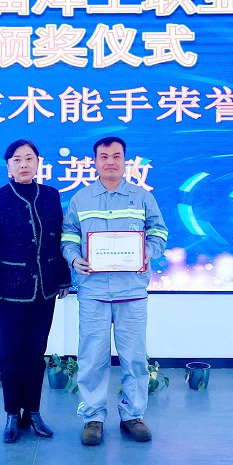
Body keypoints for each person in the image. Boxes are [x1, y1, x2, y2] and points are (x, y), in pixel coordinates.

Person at [61, 136, 168, 446]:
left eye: (116, 156)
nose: (110, 161)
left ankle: (133, 416)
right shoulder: (81, 199)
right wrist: (74, 258)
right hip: (93, 292)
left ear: (125, 161)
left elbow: (159, 232)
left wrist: (147, 252)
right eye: (104, 156)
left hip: (132, 291)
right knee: (92, 358)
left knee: (134, 359)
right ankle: (93, 417)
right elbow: (68, 236)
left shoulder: (143, 198)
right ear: (95, 162)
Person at [0, 139, 72, 444]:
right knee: (10, 356)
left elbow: (58, 239)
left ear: (38, 162)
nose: (23, 164)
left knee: (35, 355)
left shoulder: (50, 195)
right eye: (17, 159)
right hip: (8, 293)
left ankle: (33, 412)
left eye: (29, 158)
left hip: (44, 291)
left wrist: (63, 278)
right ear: (8, 165)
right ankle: (11, 415)